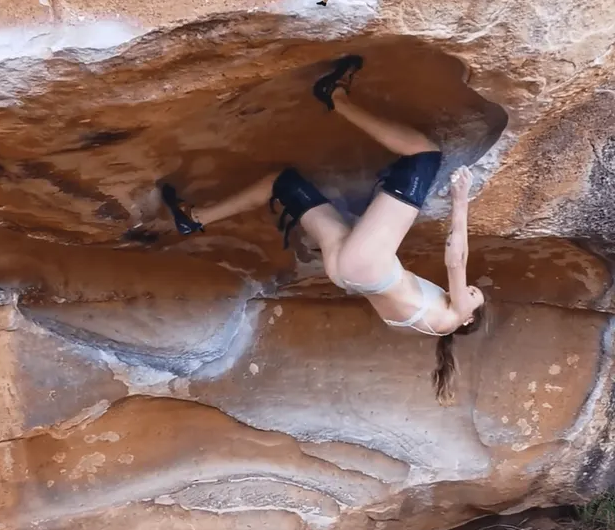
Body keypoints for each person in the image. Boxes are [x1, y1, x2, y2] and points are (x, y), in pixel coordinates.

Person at [161, 55, 486, 405]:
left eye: (472, 294)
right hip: (347, 273)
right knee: (283, 183)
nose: (465, 289)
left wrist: (461, 201)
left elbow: (456, 259)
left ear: (468, 320)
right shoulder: (427, 324)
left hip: (365, 263)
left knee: (425, 156)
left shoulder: (452, 317)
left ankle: (336, 97)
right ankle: (195, 218)